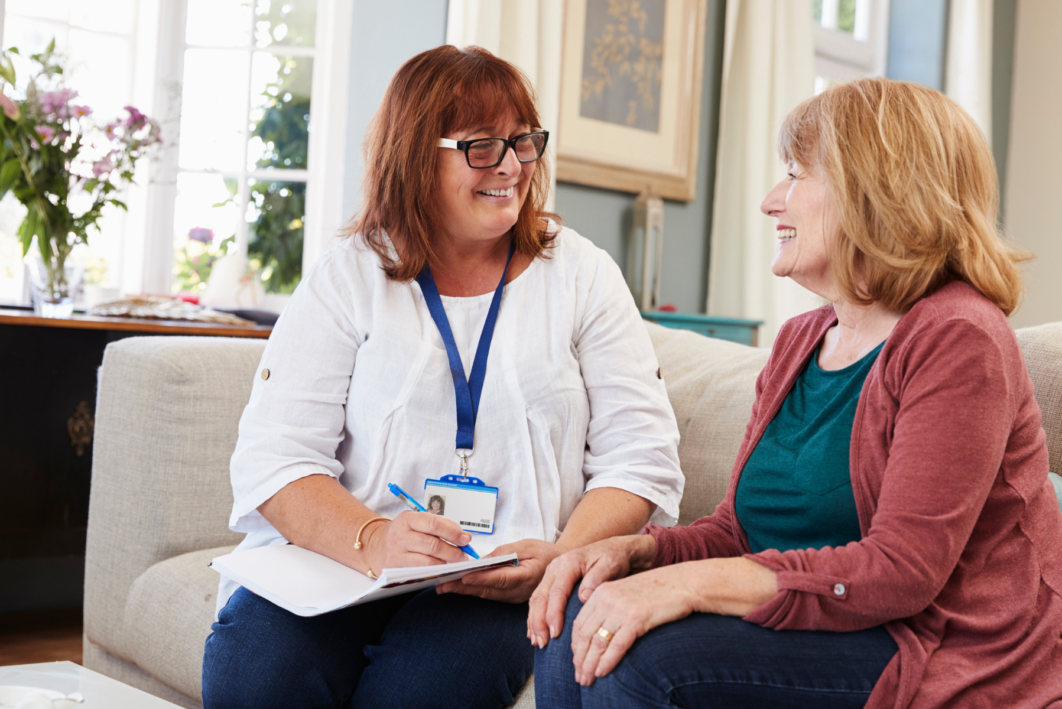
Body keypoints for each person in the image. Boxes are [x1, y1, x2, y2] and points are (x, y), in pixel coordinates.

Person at [531, 78, 1062, 708]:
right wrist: (636, 553)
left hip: (935, 647)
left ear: (876, 189)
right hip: (839, 627)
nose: (769, 201)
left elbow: (903, 572)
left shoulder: (958, 338)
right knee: (572, 622)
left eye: (794, 175)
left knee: (642, 665)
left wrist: (690, 587)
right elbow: (740, 530)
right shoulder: (801, 341)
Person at [200, 45, 683, 709]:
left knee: (418, 693)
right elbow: (275, 455)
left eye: (522, 142)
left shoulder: (582, 275)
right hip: (346, 563)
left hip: (503, 584)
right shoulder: (352, 273)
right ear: (413, 155)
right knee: (252, 674)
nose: (512, 167)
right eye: (483, 146)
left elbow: (642, 458)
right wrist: (373, 539)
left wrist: (562, 555)